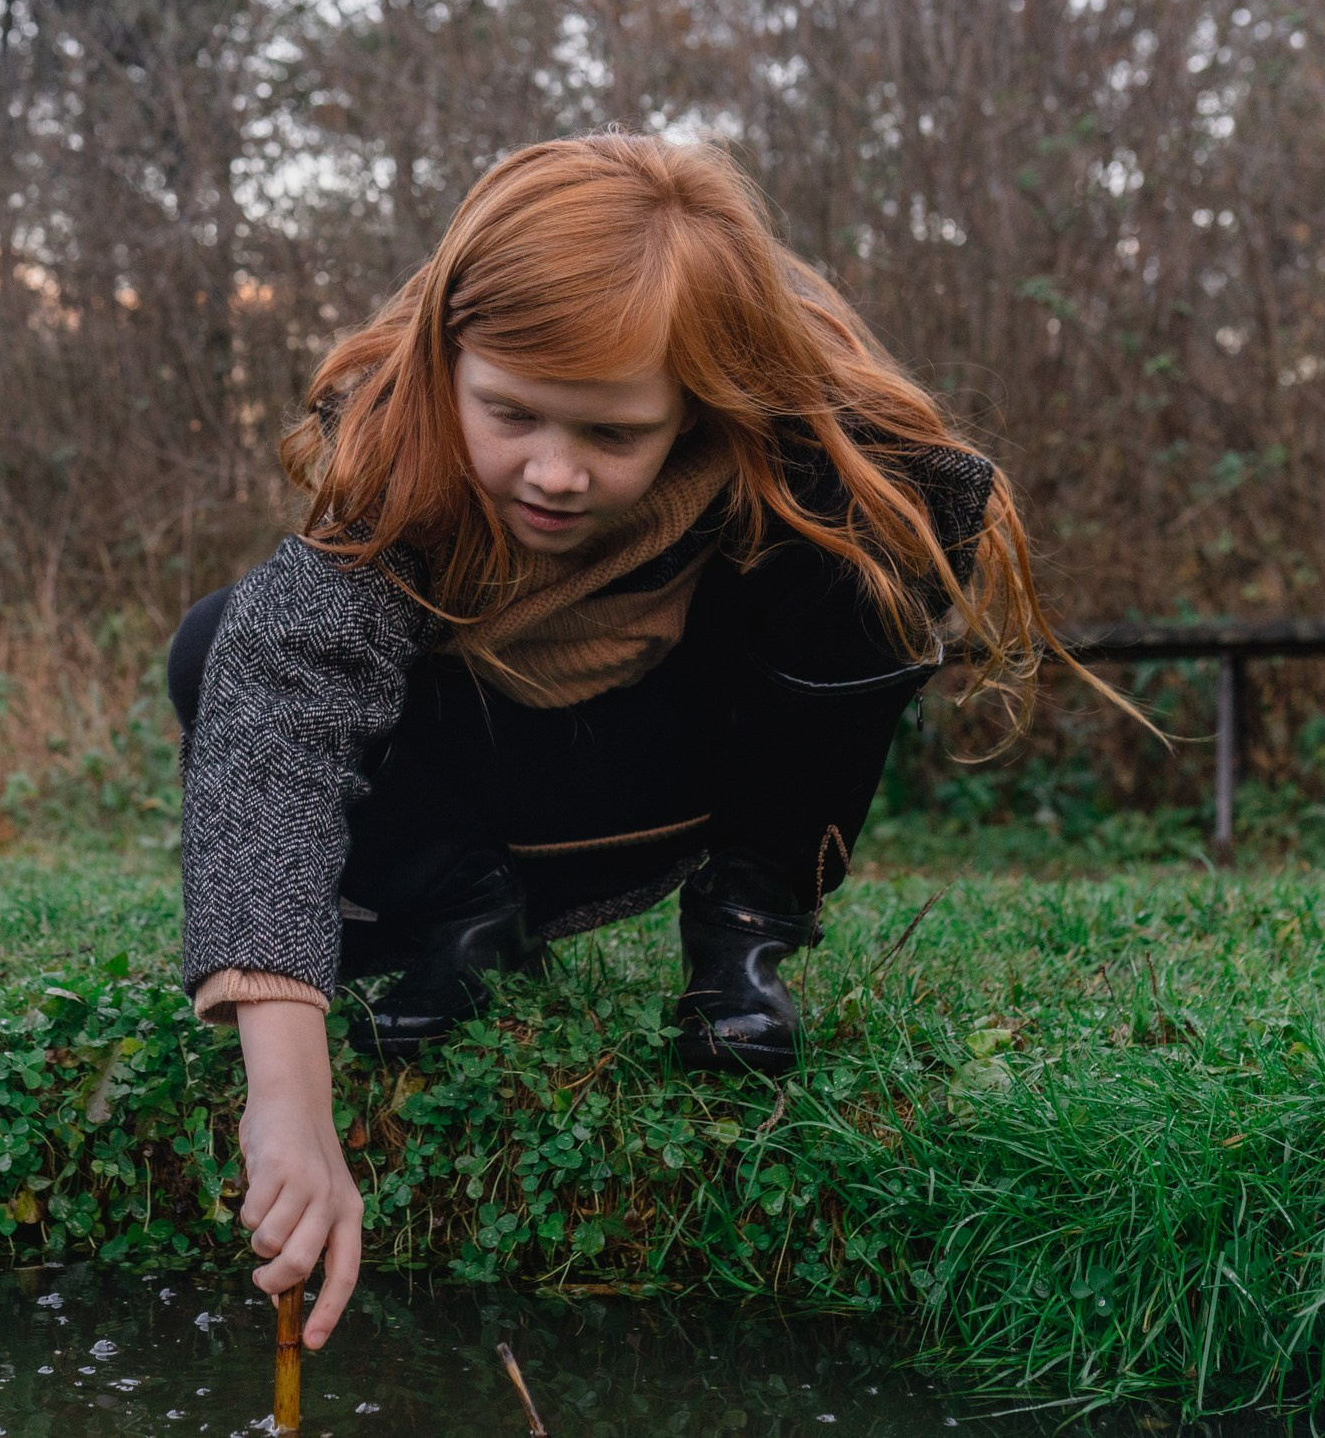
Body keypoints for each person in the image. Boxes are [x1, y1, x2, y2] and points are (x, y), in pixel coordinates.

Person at [167, 133, 1083, 1351]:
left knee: (873, 532)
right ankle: (464, 914)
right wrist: (287, 1099)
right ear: (449, 364)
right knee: (223, 642)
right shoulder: (398, 453)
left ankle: (745, 924)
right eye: (510, 413)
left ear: (696, 405)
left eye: (611, 435)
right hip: (478, 790)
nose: (551, 472)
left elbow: (889, 555)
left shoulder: (797, 453)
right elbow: (278, 732)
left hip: (676, 781)